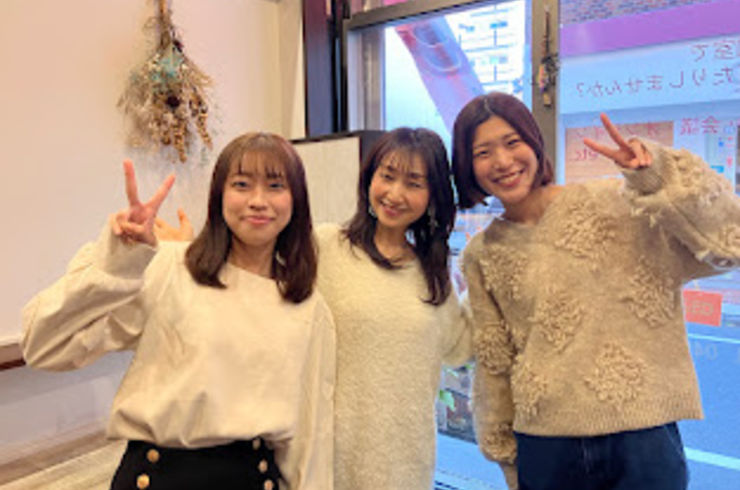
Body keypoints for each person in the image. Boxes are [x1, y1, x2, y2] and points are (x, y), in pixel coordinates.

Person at [451, 91, 740, 490]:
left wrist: (658, 176)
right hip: (545, 444)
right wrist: (504, 455)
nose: (502, 161)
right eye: (482, 152)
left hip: (642, 436)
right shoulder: (482, 253)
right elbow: (495, 362)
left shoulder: (618, 203)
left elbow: (729, 243)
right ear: (468, 167)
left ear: (534, 143)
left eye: (512, 142)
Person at [21, 133, 335, 490]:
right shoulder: (168, 267)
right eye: (242, 184)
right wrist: (118, 264)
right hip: (157, 477)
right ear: (219, 195)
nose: (258, 201)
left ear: (297, 200)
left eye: (276, 186)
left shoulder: (306, 305)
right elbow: (43, 346)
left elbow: (311, 435)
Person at [315, 127, 471, 490]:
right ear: (370, 178)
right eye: (387, 176)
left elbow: (460, 347)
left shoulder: (433, 275)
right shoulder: (325, 247)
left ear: (432, 196)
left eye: (413, 183)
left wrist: (487, 273)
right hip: (332, 459)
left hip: (407, 465)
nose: (395, 194)